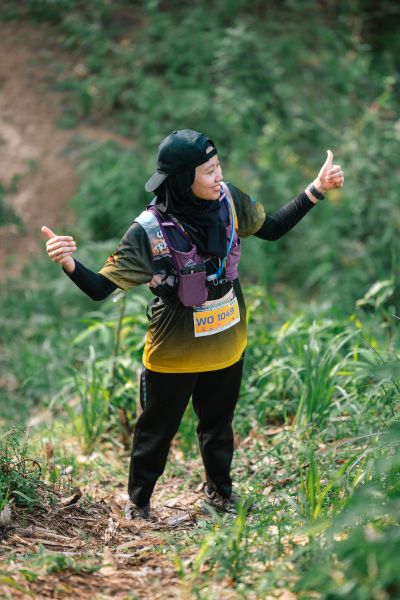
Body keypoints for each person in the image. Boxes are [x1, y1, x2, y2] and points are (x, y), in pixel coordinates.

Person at [42, 129, 344, 520]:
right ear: (185, 179)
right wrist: (68, 263)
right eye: (209, 171)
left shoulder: (229, 201)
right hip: (174, 353)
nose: (219, 177)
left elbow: (270, 228)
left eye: (218, 167)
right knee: (156, 432)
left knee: (218, 426)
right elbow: (100, 288)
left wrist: (316, 189)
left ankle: (220, 495)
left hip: (227, 342)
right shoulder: (148, 231)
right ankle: (139, 504)